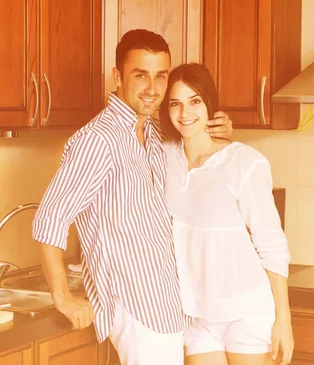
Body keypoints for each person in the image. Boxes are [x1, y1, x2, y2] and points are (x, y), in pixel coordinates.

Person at [32, 30, 233, 364]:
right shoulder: (98, 141)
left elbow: (198, 175)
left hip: (173, 301)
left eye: (160, 76)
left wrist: (217, 134)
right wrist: (63, 297)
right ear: (118, 77)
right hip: (137, 306)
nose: (152, 88)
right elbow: (49, 219)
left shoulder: (154, 133)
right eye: (141, 75)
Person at [159, 63, 294, 365]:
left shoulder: (244, 162)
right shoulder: (163, 158)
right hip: (196, 313)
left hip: (247, 309)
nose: (185, 113)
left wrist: (283, 319)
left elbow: (271, 245)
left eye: (195, 101)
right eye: (175, 103)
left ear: (210, 104)